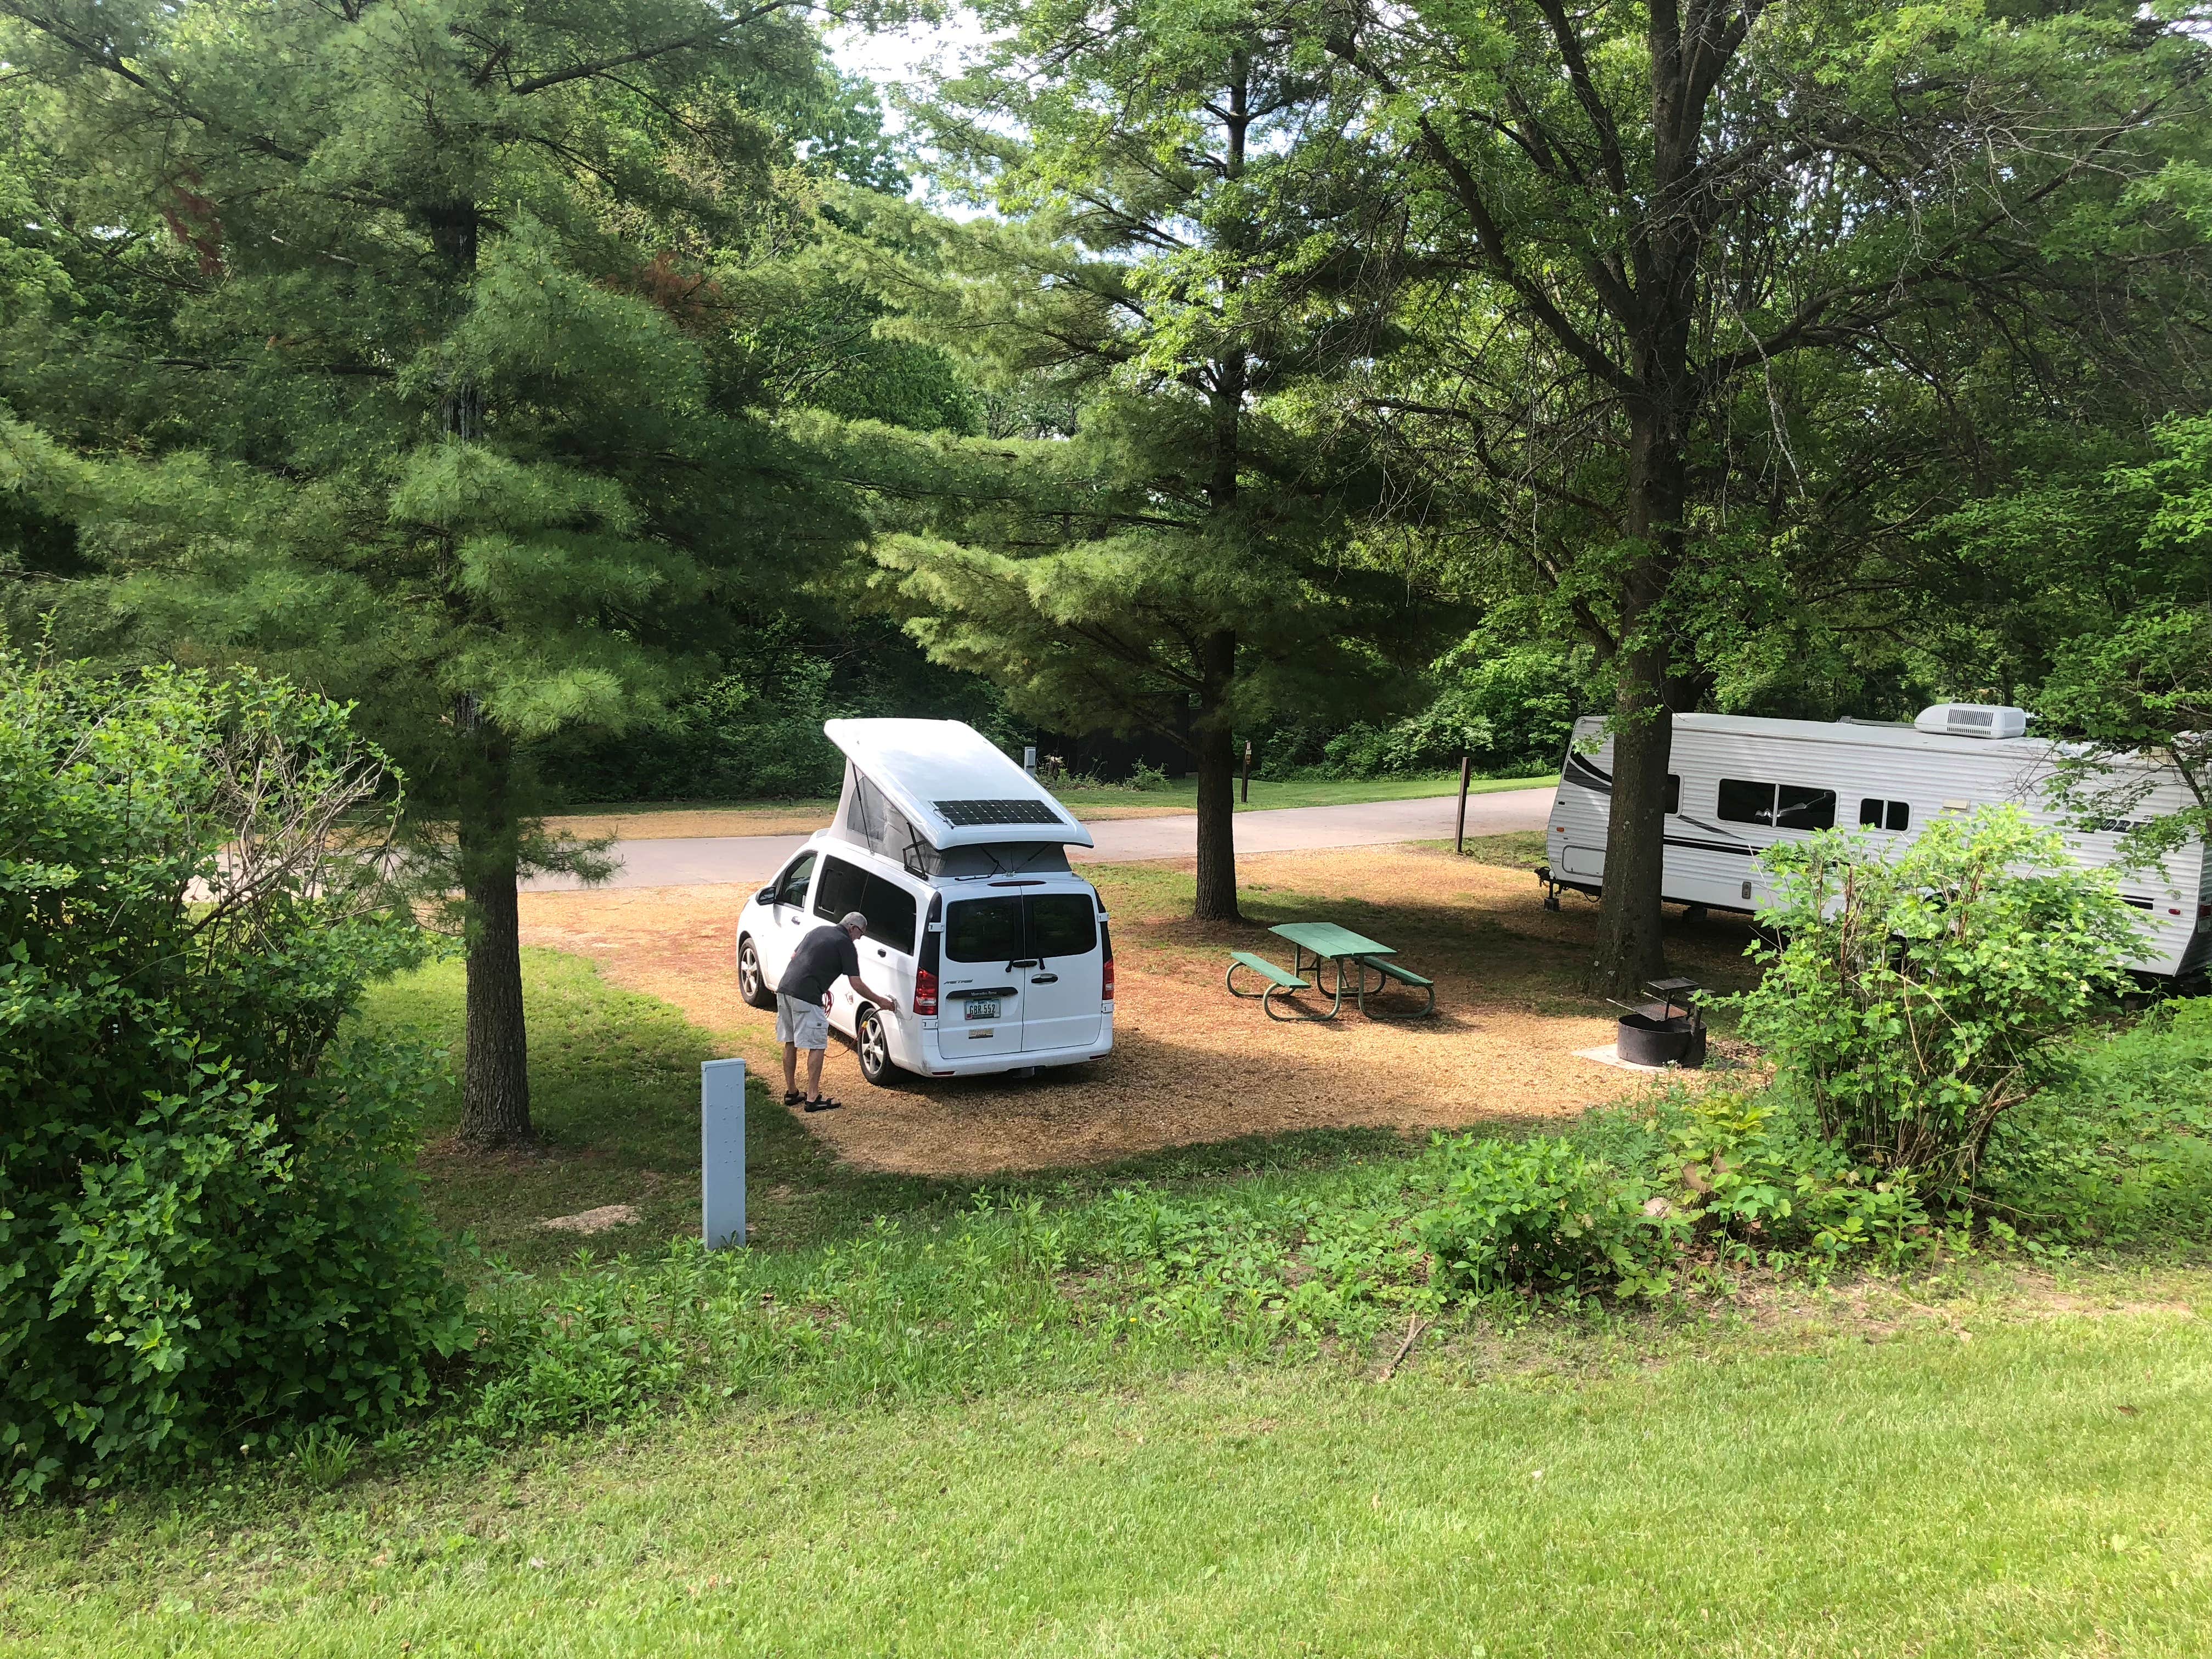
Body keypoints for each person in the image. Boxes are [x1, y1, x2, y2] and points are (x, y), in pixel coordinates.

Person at [777, 910, 896, 1112]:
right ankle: (813, 1098)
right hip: (807, 996)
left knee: (791, 1041)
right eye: (861, 933)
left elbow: (795, 956)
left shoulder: (818, 931)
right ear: (853, 928)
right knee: (817, 1044)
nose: (860, 938)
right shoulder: (845, 944)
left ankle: (792, 1092)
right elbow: (856, 984)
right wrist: (880, 1001)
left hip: (784, 989)